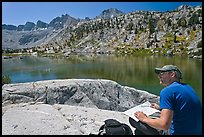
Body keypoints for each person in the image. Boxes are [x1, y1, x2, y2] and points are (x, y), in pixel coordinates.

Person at [129, 65, 202, 135]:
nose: (159, 76)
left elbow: (164, 125)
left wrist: (144, 118)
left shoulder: (167, 91)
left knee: (134, 120)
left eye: (162, 73)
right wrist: (161, 108)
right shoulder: (188, 87)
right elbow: (182, 109)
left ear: (172, 74)